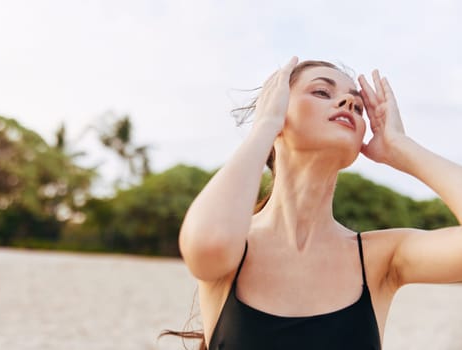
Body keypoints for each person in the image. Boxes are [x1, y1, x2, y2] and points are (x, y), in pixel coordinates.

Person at [171, 57, 462, 349]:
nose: (348, 102)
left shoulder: (380, 259)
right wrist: (265, 126)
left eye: (358, 106)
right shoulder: (234, 248)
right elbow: (207, 243)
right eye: (322, 92)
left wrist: (402, 147)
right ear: (277, 106)